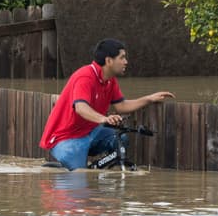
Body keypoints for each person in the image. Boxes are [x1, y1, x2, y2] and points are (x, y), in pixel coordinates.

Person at [39, 38, 173, 170]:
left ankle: (102, 175)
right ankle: (72, 168)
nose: (126, 62)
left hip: (90, 132)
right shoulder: (85, 77)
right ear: (109, 61)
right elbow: (81, 108)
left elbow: (121, 106)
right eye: (122, 58)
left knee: (121, 140)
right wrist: (104, 118)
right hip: (64, 138)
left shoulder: (110, 80)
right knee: (79, 177)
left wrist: (149, 98)